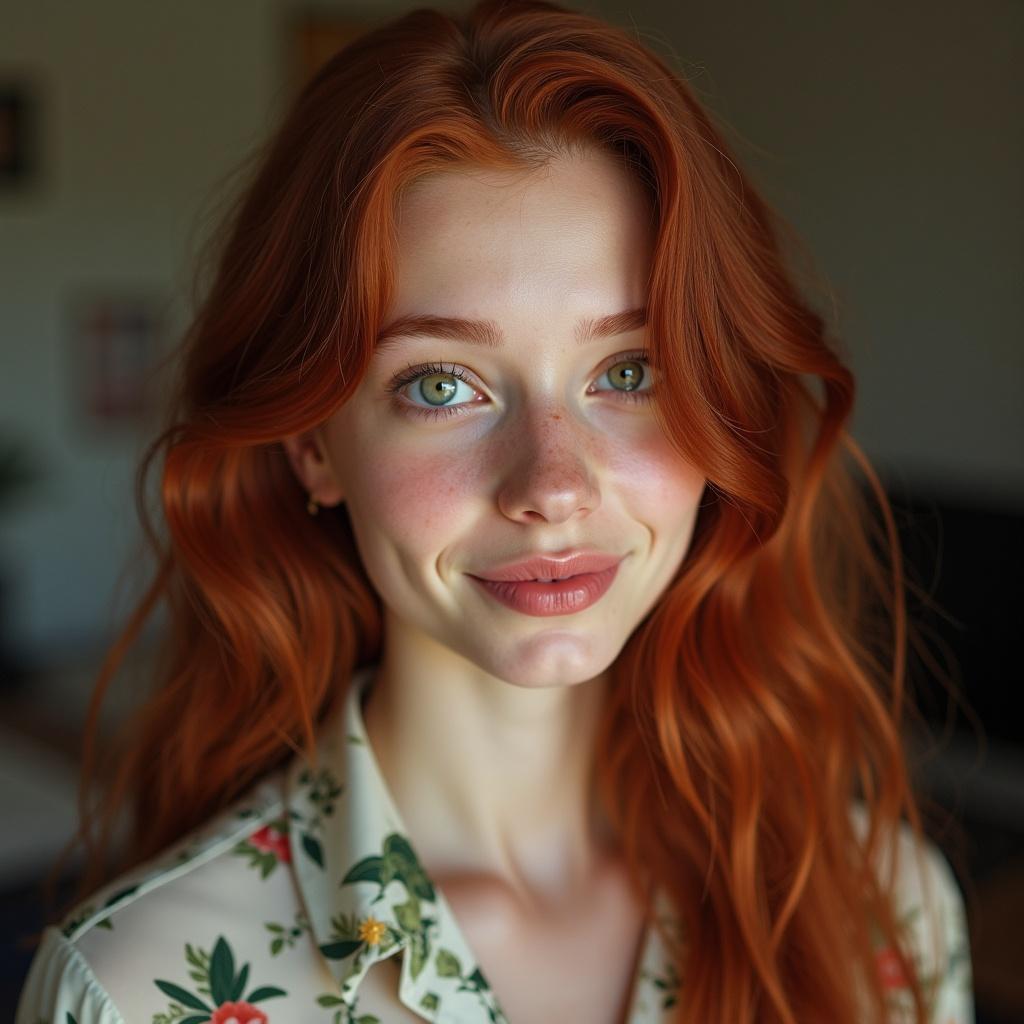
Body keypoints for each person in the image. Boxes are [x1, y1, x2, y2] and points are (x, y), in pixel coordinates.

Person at [16, 1, 974, 1022]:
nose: (553, 485)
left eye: (631, 369)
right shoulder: (137, 991)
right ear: (311, 443)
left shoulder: (884, 906)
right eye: (441, 385)